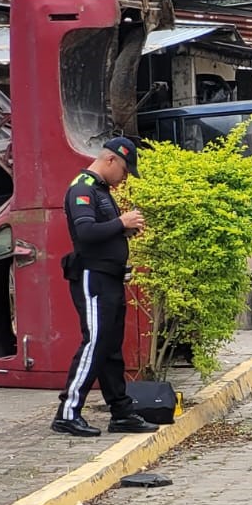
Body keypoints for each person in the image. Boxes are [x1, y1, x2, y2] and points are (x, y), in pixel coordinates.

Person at [52, 137, 160, 437]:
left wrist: (125, 229)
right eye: (125, 170)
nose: (125, 178)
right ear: (111, 160)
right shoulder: (82, 188)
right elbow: (85, 232)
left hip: (110, 277)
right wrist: (121, 221)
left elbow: (103, 232)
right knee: (95, 343)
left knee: (111, 347)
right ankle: (68, 412)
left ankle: (121, 412)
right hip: (92, 277)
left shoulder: (101, 190)